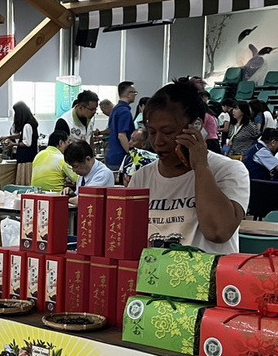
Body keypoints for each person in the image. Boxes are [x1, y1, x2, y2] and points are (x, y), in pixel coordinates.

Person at [126, 80, 250, 254]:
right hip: (155, 278)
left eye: (168, 132)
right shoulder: (142, 178)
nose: (158, 142)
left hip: (208, 279)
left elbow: (217, 232)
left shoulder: (229, 170)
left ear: (196, 126)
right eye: (152, 132)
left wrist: (201, 167)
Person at [1, 101, 40, 185]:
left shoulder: (27, 125)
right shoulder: (31, 123)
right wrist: (8, 137)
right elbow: (22, 136)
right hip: (29, 157)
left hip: (26, 158)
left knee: (24, 181)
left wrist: (14, 144)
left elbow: (27, 143)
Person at [30, 128, 78, 193]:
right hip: (55, 197)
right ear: (61, 143)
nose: (69, 145)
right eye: (68, 142)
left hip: (35, 194)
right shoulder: (62, 158)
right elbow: (77, 178)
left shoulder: (38, 155)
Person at [105, 81, 137, 170]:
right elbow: (121, 135)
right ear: (128, 94)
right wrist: (131, 155)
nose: (135, 95)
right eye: (134, 93)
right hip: (120, 156)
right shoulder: (124, 112)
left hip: (111, 154)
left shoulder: (115, 109)